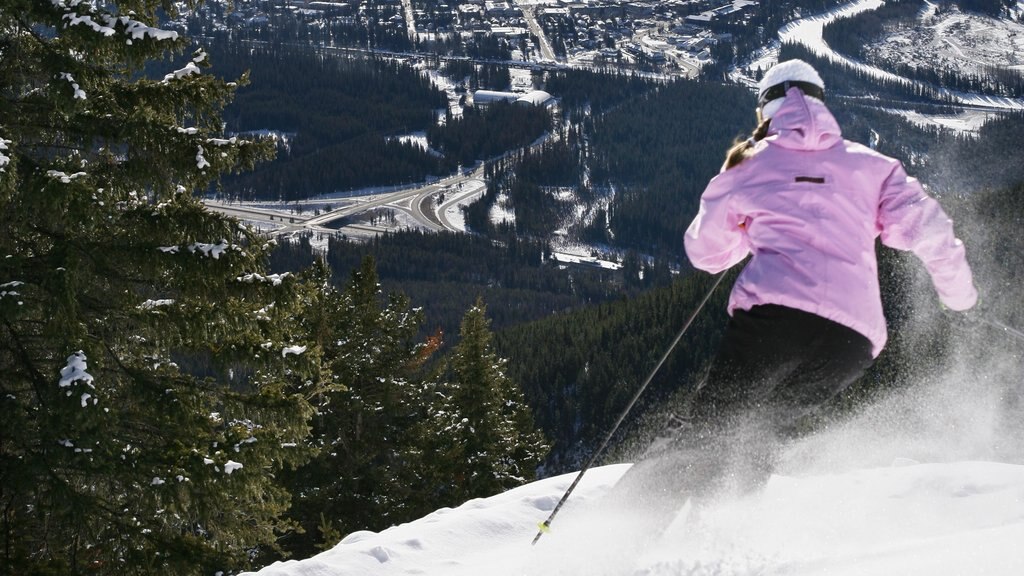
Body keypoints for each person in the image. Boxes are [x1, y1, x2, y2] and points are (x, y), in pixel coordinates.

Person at [673, 59, 978, 493]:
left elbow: (706, 254)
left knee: (706, 429)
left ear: (766, 111)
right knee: (759, 431)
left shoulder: (747, 166)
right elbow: (933, 233)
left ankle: (622, 537)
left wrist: (746, 234)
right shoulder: (875, 167)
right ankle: (723, 532)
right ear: (821, 103)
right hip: (853, 340)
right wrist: (958, 298)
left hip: (775, 320)